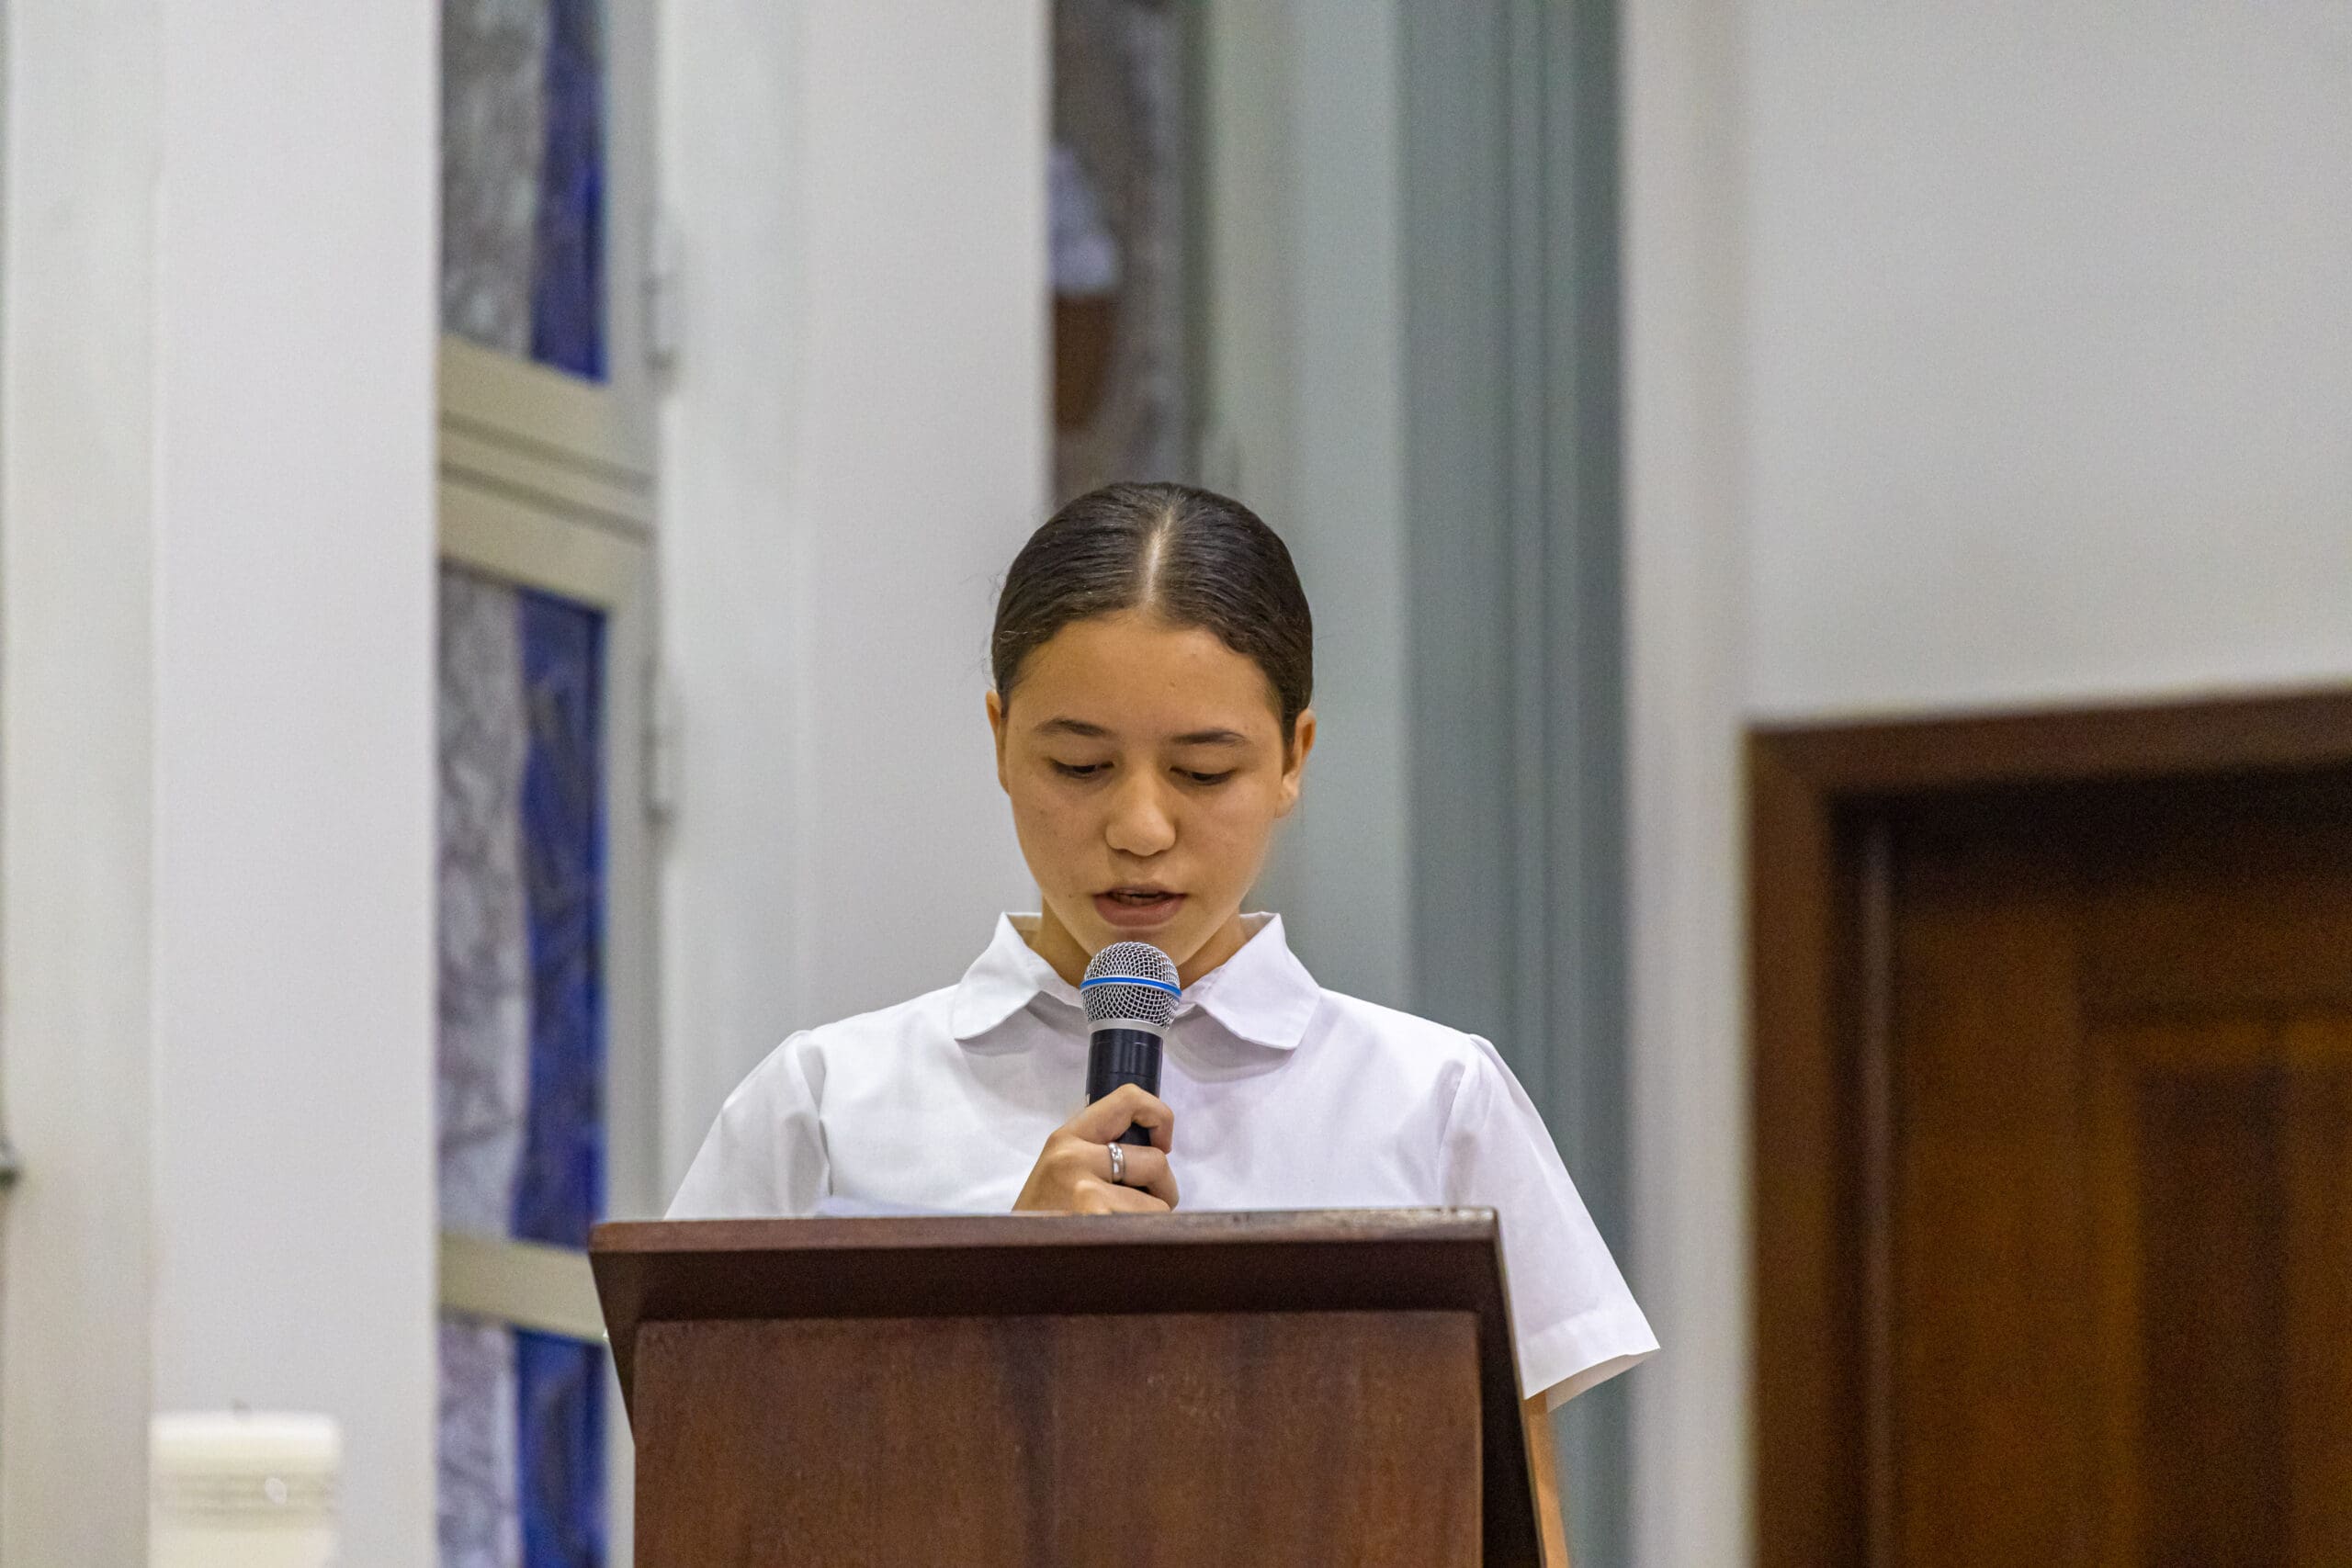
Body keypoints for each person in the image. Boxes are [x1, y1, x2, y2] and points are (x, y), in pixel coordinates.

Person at [669, 481, 1657, 1422]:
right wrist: (995, 1293)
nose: (1140, 827)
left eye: (1203, 771)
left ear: (1294, 758)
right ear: (1001, 739)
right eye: (1080, 765)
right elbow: (709, 1465)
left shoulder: (1431, 1100)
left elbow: (1511, 1498)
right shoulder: (825, 1101)